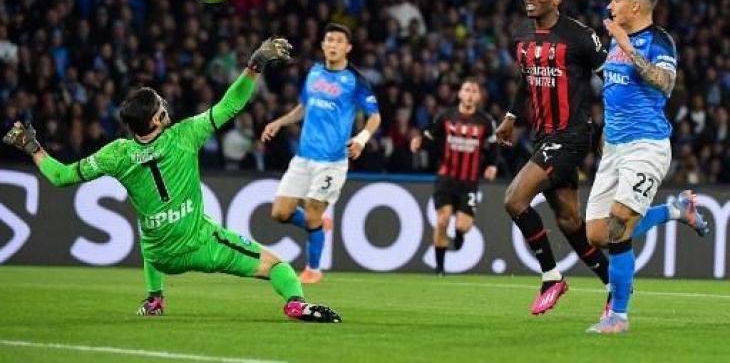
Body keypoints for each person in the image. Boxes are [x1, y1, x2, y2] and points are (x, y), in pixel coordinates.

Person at [3, 37, 342, 323]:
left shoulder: (116, 153)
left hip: (159, 256)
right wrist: (254, 66)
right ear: (157, 118)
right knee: (277, 265)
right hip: (200, 247)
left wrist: (33, 148)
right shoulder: (185, 135)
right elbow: (231, 104)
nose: (166, 105)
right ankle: (296, 303)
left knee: (148, 221)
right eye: (161, 105)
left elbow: (61, 176)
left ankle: (155, 298)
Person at [585, 0, 709, 334]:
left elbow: (665, 83)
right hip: (615, 149)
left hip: (647, 145)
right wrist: (605, 137)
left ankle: (618, 317)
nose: (610, 6)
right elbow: (616, 94)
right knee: (596, 234)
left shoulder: (658, 40)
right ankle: (675, 210)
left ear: (635, 6)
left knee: (620, 223)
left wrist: (627, 46)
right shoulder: (614, 43)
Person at [495, 0, 611, 315]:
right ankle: (614, 285)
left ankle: (551, 277)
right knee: (570, 222)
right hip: (543, 135)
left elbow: (614, 81)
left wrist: (609, 127)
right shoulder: (521, 35)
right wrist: (512, 116)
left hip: (572, 135)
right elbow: (526, 79)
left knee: (514, 199)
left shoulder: (579, 36)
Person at [262, 23, 381, 284]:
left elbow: (375, 116)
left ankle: (313, 270)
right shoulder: (314, 72)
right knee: (280, 212)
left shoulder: (356, 80)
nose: (333, 44)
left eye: (339, 40)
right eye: (329, 40)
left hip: (332, 162)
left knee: (314, 212)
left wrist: (361, 139)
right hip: (303, 157)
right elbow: (304, 107)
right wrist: (280, 122)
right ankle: (317, 224)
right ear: (323, 45)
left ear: (347, 47)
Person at [410, 78, 498, 276]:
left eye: (474, 91)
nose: (469, 94)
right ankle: (440, 269)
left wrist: (492, 165)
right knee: (442, 221)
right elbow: (430, 137)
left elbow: (493, 147)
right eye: (466, 90)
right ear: (460, 93)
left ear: (479, 96)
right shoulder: (445, 116)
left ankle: (459, 235)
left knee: (463, 225)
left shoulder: (485, 121)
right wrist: (418, 143)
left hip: (469, 182)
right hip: (446, 178)